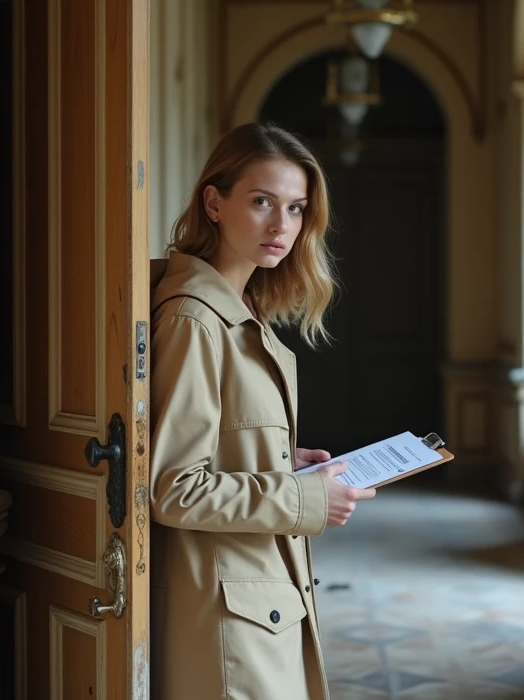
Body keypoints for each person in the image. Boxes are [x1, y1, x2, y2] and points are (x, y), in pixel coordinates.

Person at [149, 122, 376, 700]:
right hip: (228, 617)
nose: (283, 226)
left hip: (260, 599)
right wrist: (305, 498)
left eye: (297, 208)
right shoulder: (195, 320)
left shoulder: (238, 310)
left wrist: (279, 458)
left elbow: (216, 442)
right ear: (214, 202)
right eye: (261, 202)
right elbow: (173, 487)